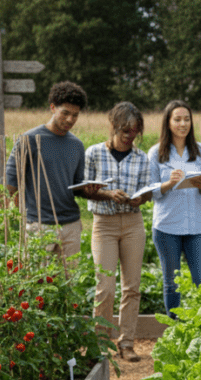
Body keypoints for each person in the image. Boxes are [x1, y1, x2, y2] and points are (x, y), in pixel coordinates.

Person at [83, 102, 155, 362]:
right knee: (105, 286)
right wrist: (107, 194)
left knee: (132, 287)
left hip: (133, 223)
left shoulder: (141, 157)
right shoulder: (93, 153)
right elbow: (84, 188)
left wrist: (140, 199)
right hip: (104, 223)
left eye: (135, 130)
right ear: (113, 126)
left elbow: (147, 191)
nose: (130, 135)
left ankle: (126, 343)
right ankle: (100, 343)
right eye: (125, 130)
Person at [4, 81, 100, 259]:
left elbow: (77, 186)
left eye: (75, 115)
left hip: (71, 225)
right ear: (53, 108)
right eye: (65, 113)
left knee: (69, 282)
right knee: (38, 281)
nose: (70, 119)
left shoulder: (76, 145)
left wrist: (90, 190)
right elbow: (10, 183)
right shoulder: (29, 139)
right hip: (39, 224)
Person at [149, 100, 201, 316]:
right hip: (167, 227)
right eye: (177, 119)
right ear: (168, 123)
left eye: (187, 119)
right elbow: (151, 192)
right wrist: (168, 183)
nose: (183, 124)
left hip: (195, 226)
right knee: (172, 283)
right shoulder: (156, 153)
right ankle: (174, 331)